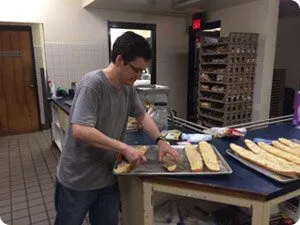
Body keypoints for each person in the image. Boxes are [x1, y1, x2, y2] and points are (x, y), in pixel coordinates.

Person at [54, 31, 179, 225]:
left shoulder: (127, 88)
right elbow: (80, 130)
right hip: (78, 179)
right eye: (135, 70)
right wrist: (124, 148)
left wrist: (160, 141)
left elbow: (142, 116)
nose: (138, 76)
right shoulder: (93, 84)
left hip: (108, 176)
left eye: (142, 71)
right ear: (119, 60)